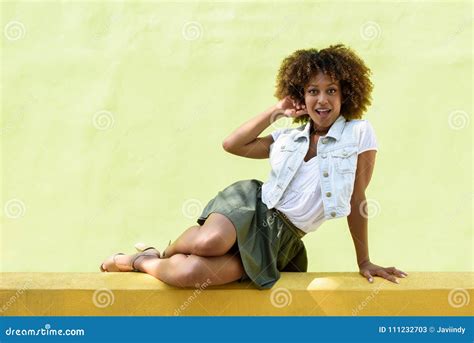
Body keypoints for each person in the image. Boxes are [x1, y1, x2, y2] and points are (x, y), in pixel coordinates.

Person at [100, 44, 407, 289]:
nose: (322, 99)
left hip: (283, 237)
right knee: (210, 241)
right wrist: (276, 111)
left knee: (192, 274)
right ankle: (165, 253)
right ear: (302, 96)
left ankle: (141, 260)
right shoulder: (288, 137)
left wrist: (364, 261)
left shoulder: (359, 133)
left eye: (331, 90)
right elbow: (233, 144)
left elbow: (357, 199)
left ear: (346, 95)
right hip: (252, 205)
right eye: (313, 90)